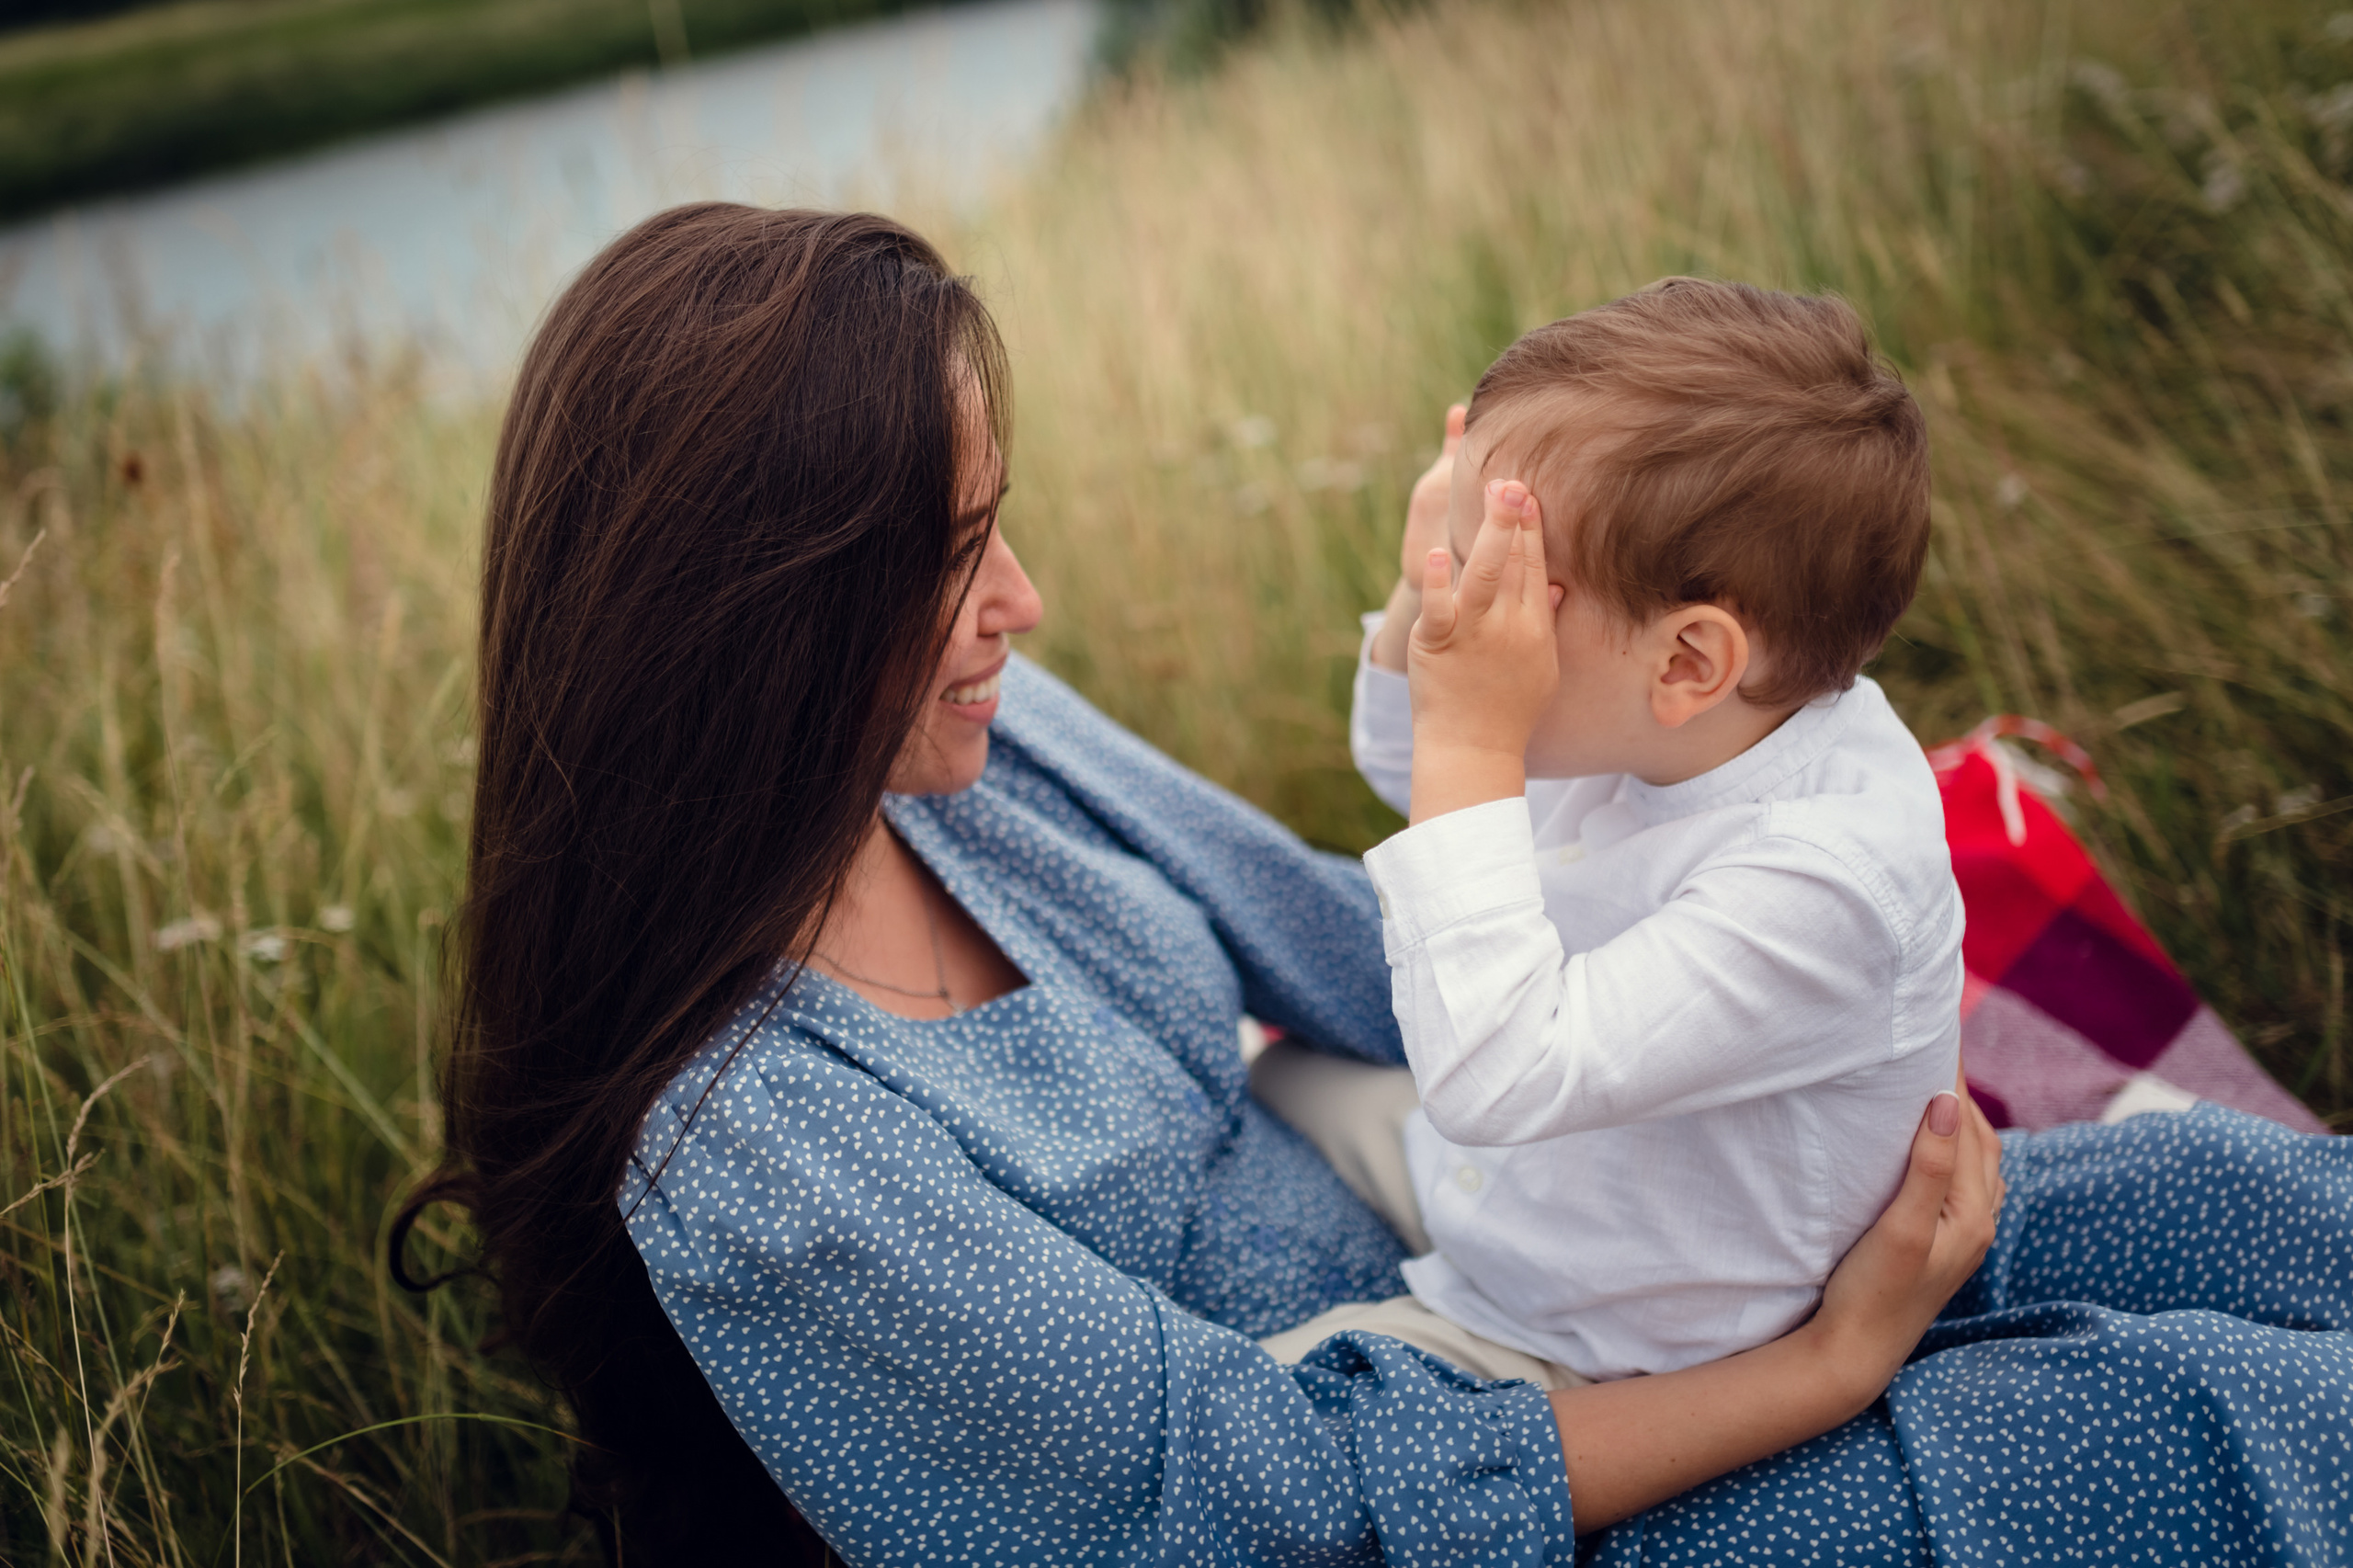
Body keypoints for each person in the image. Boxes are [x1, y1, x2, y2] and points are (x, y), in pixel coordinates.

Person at [394, 203, 2353, 1567]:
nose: (1023, 604)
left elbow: (1346, 935)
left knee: (2225, 1200)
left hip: (1534, 1250)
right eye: (954, 553)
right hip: (1477, 1478)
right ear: (759, 627)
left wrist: (1730, 991)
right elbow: (1277, 1515)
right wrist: (1815, 1363)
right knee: (2198, 1432)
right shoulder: (766, 1162)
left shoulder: (948, 751)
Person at [1324, 280, 1964, 1385]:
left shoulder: (1828, 881)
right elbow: (1402, 764)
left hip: (1601, 1341)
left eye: (1508, 581)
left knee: (1252, 1445)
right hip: (1498, 1192)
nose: (1457, 607)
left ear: (1686, 661)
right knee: (1235, 1082)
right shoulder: (1664, 715)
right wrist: (1414, 574)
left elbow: (1494, 1080)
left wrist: (1473, 738)